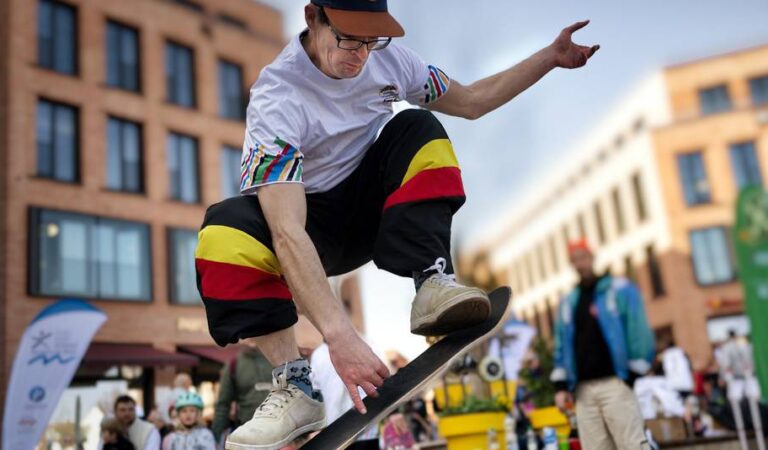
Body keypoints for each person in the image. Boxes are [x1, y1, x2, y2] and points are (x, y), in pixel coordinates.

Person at [194, 1, 600, 448]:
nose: (360, 54)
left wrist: (550, 57)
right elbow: (287, 233)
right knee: (223, 231)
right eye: (347, 38)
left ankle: (431, 282)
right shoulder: (276, 96)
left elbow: (470, 101)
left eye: (371, 41)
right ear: (313, 19)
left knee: (418, 127)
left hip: (374, 208)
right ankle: (294, 385)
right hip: (308, 229)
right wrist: (340, 338)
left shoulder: (391, 59)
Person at [550, 239, 655, 449]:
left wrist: (635, 371)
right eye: (575, 259)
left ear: (592, 257)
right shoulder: (568, 302)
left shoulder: (619, 290)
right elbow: (561, 343)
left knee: (632, 444)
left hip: (615, 383)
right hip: (583, 390)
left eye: (583, 257)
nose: (580, 264)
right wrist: (561, 386)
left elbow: (638, 328)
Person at [210, 343, 273, 442]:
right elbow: (223, 405)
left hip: (278, 433)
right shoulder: (233, 364)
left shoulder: (279, 360)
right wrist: (215, 439)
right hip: (247, 432)